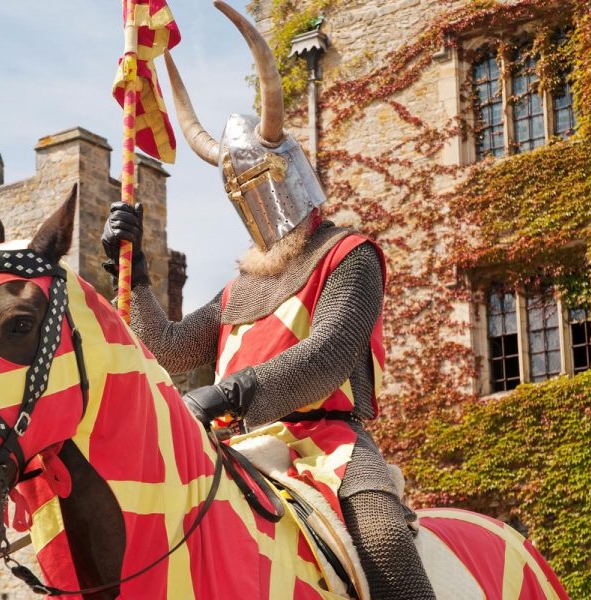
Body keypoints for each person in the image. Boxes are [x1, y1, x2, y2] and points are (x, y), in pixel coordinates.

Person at [102, 3, 435, 597]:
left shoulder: (348, 253)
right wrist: (137, 276)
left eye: (259, 182)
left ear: (291, 175)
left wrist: (230, 392)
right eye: (239, 189)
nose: (251, 199)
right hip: (236, 448)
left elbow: (328, 355)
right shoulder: (242, 286)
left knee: (385, 542)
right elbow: (169, 351)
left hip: (328, 446)